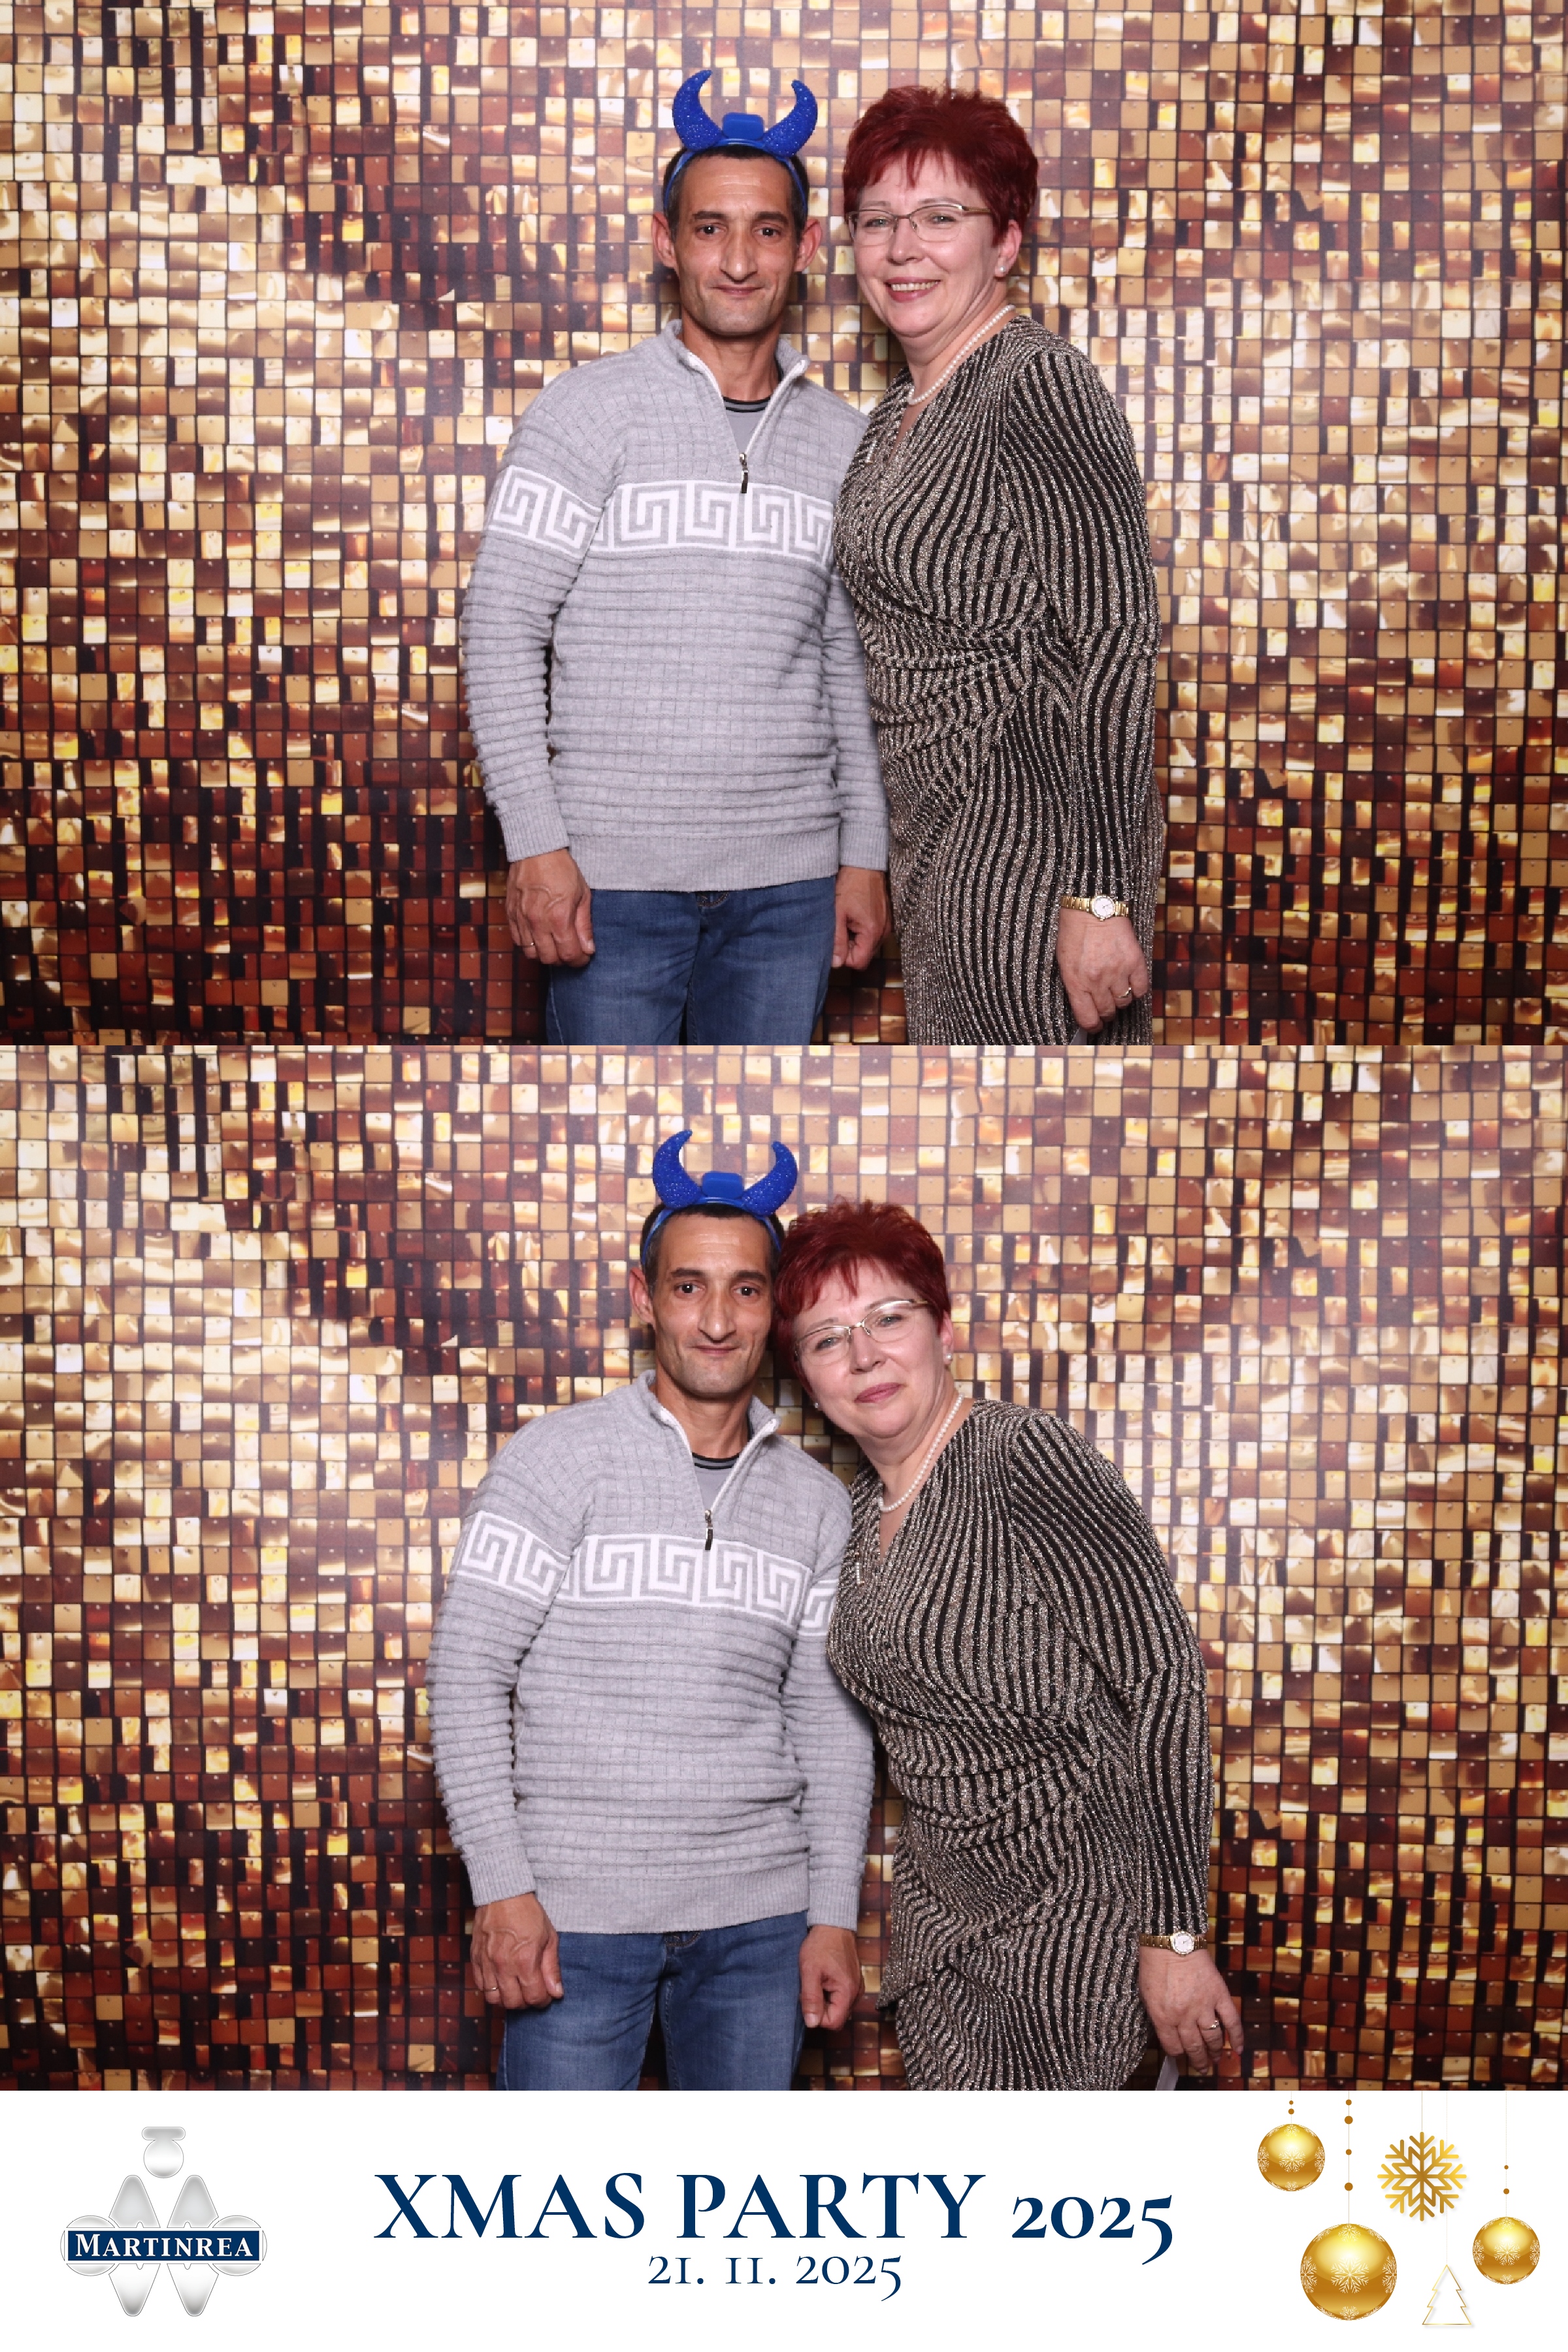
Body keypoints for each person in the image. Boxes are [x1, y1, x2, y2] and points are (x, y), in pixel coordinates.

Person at [427, 1133, 873, 2090]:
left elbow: (828, 1724)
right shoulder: (556, 1460)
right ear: (645, 1298)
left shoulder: (817, 1503)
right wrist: (501, 1886)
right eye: (688, 1286)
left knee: (735, 2186)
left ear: (775, 1312)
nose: (716, 1319)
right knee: (559, 2185)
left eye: (746, 1289)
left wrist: (832, 1912)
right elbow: (467, 1676)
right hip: (573, 1923)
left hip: (760, 1930)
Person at [774, 1197, 1243, 2090]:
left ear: (943, 1328)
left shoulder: (1022, 1457)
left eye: (889, 1318)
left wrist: (1175, 1934)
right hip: (944, 1937)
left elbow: (1163, 1684)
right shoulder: (860, 1512)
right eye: (828, 1338)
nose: (864, 1355)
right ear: (807, 1376)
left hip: (1080, 1920)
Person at [461, 69, 889, 1045]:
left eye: (767, 230)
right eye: (709, 228)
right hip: (609, 884)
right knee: (603, 1115)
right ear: (668, 242)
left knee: (771, 1107)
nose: (737, 259)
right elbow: (500, 628)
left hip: (791, 889)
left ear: (806, 248)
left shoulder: (845, 442)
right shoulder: (586, 412)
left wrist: (863, 852)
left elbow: (849, 664)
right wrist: (537, 842)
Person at [832, 87, 1162, 1045]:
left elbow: (1113, 641)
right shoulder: (891, 420)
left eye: (941, 218)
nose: (904, 248)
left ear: (1006, 243)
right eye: (878, 221)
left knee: (1038, 1111)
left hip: (1034, 853)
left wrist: (1099, 893)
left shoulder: (1035, 381)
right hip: (935, 849)